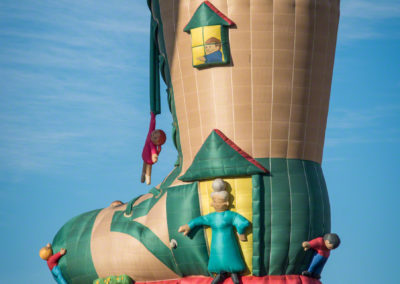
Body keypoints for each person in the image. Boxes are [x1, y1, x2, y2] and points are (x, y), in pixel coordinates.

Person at [178, 178, 250, 284]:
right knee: (219, 256)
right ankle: (223, 273)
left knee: (231, 256)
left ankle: (233, 273)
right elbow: (200, 220)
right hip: (217, 245)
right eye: (214, 201)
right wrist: (189, 225)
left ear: (226, 203)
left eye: (216, 201)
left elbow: (243, 223)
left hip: (228, 243)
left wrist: (241, 233)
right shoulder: (213, 217)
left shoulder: (229, 215)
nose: (212, 204)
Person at [141, 112, 166, 185]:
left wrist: (155, 156)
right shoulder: (150, 132)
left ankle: (147, 177)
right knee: (144, 165)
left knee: (148, 167)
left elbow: (154, 152)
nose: (153, 135)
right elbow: (152, 124)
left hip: (148, 157)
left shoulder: (153, 145)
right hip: (145, 154)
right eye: (154, 133)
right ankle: (143, 176)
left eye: (155, 137)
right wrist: (153, 115)